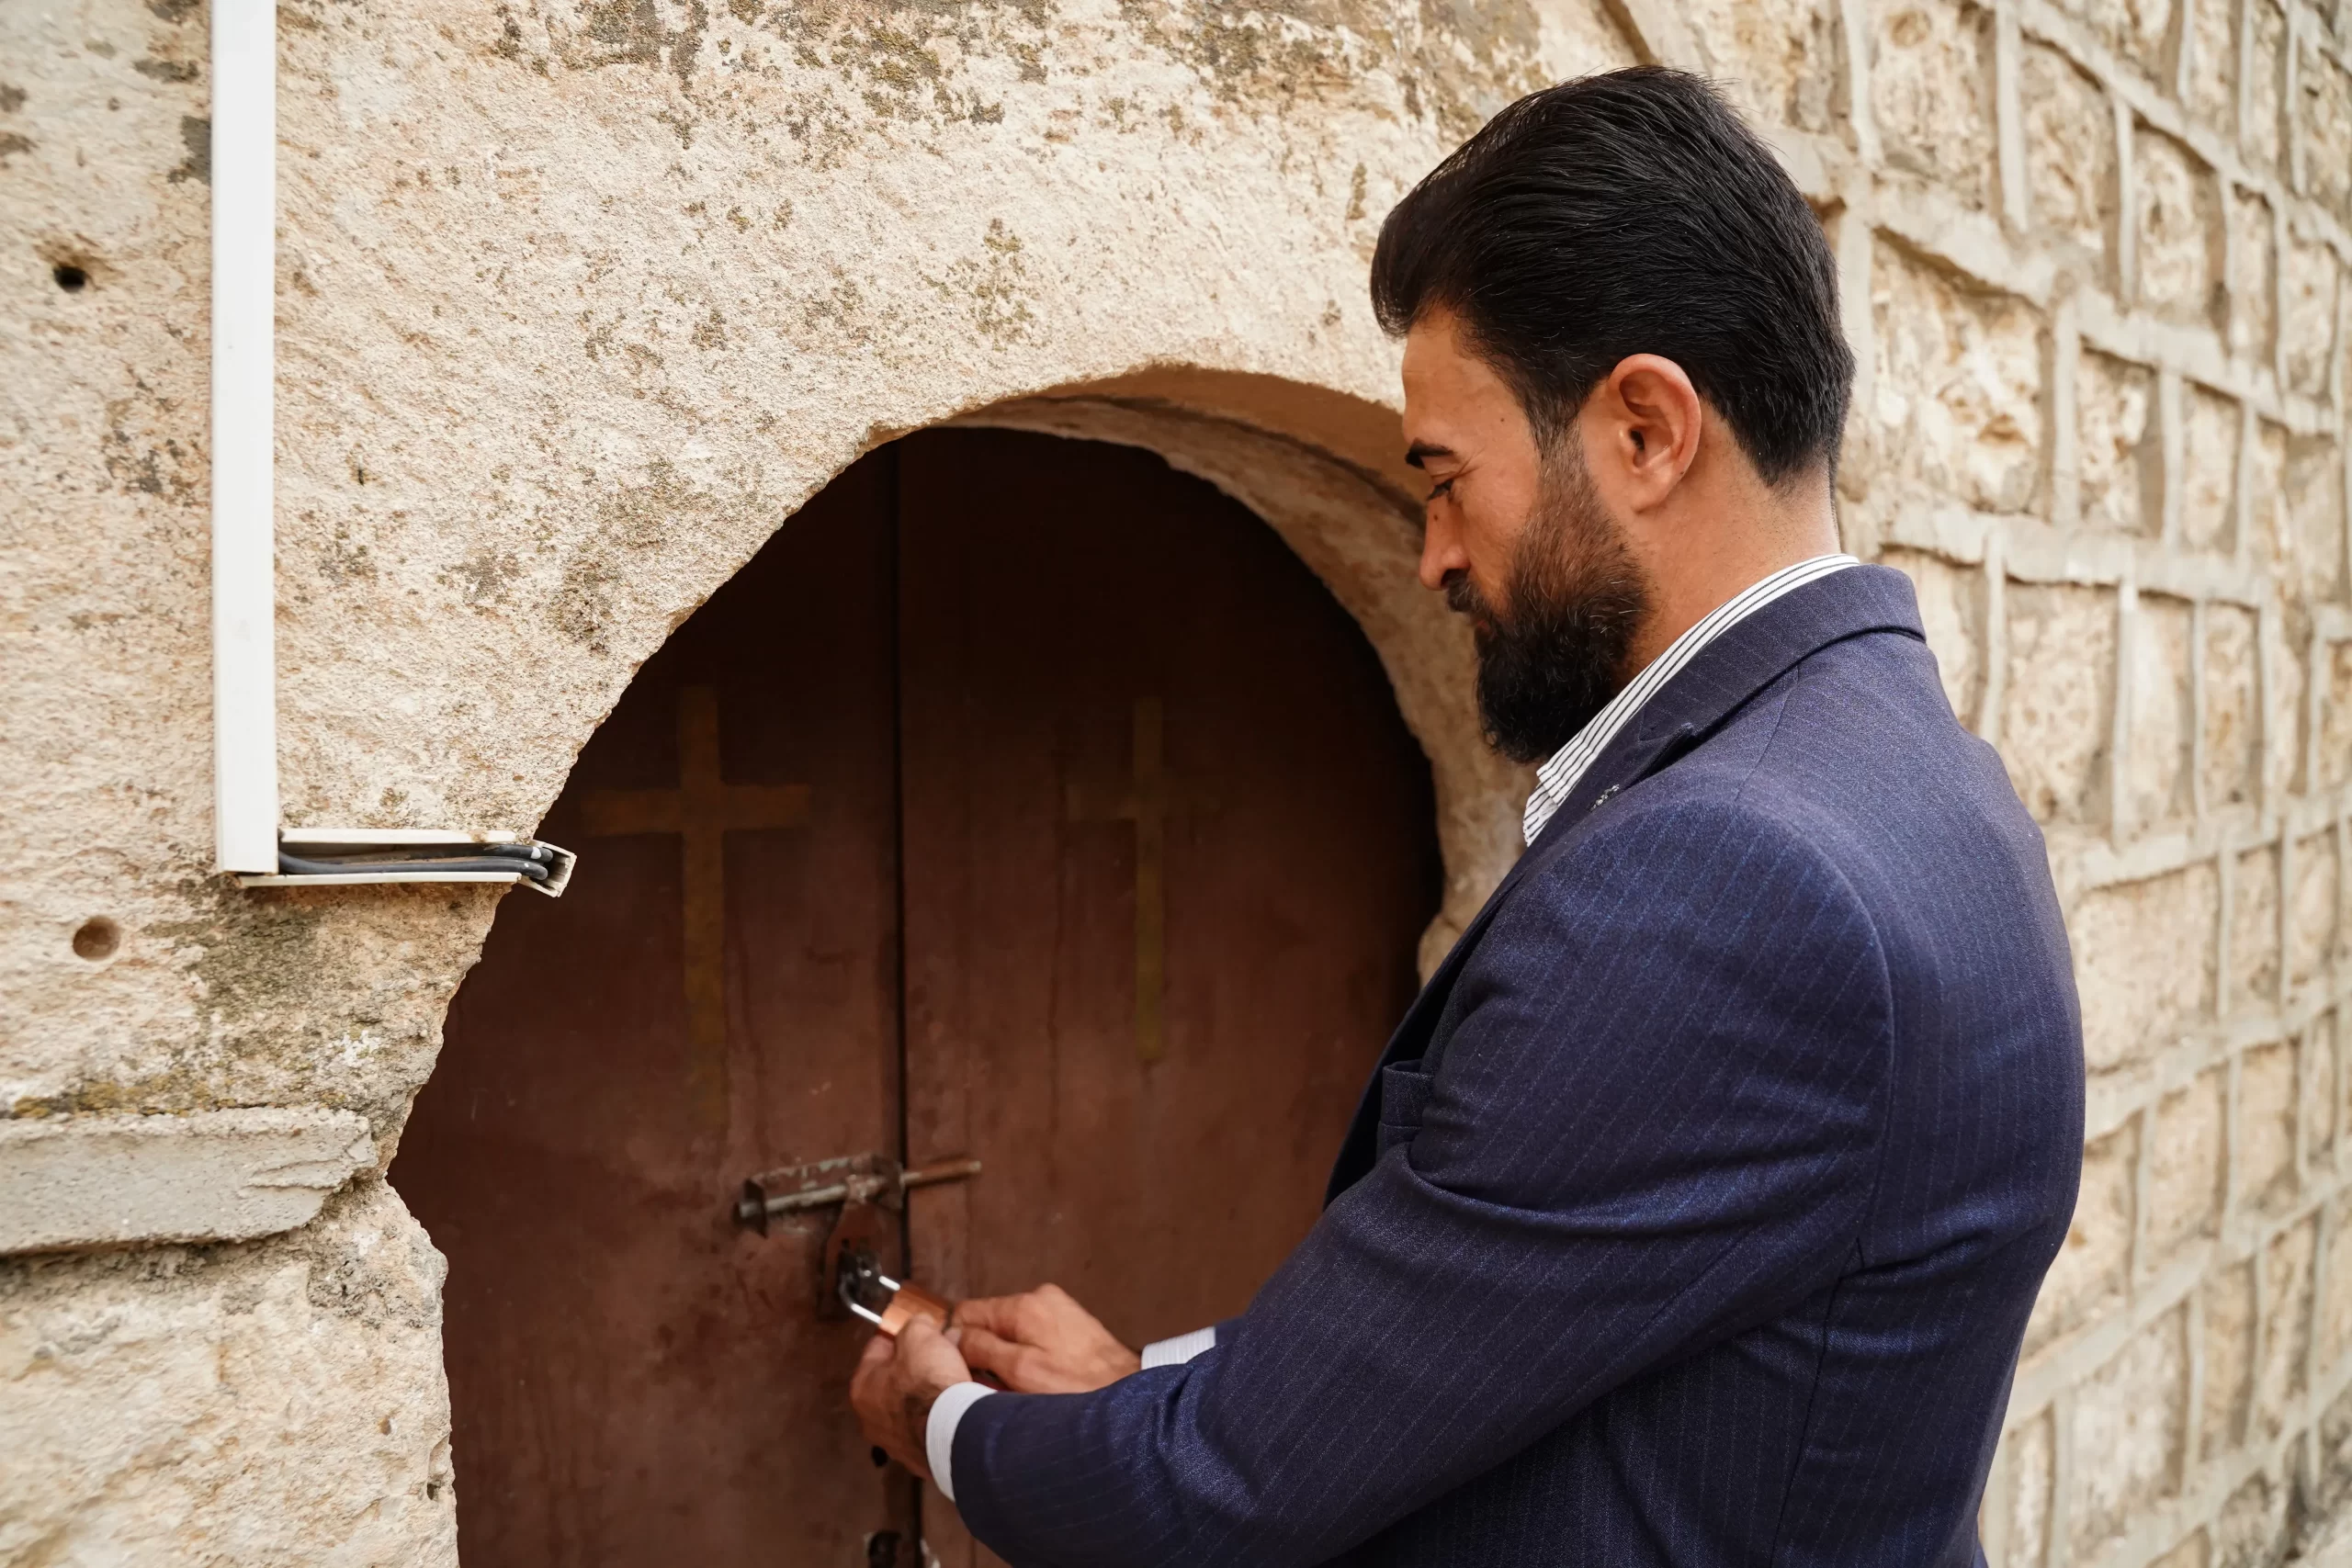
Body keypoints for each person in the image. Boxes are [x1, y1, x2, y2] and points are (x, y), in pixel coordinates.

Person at [851, 65, 2084, 1566]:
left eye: (1445, 477)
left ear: (1645, 429)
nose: (1433, 553)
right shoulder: (1937, 784)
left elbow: (1215, 1500)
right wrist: (1153, 1390)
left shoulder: (1720, 879)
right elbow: (1572, 1328)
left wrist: (943, 1416)